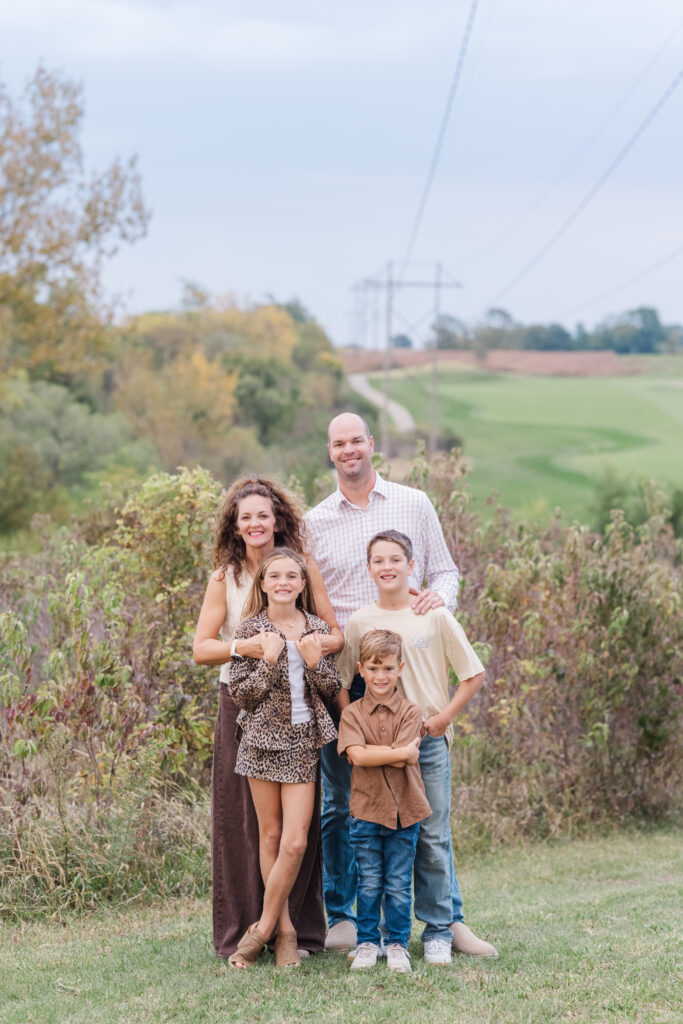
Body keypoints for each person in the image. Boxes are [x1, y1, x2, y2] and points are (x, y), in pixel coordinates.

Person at [305, 413, 491, 957]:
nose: (348, 451)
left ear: (371, 446)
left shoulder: (413, 503)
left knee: (425, 810)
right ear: (330, 451)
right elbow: (316, 601)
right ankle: (343, 918)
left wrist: (438, 605)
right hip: (352, 685)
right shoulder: (317, 522)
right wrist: (341, 698)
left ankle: (447, 921)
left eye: (356, 441)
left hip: (413, 682)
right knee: (342, 808)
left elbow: (448, 573)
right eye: (338, 443)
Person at [193, 477, 343, 960]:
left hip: (300, 707)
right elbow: (202, 648)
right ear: (235, 526)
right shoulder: (226, 576)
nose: (255, 524)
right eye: (245, 517)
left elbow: (332, 634)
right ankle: (255, 930)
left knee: (298, 833)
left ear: (277, 518)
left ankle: (294, 930)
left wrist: (313, 650)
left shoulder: (302, 568)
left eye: (263, 515)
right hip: (244, 705)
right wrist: (249, 647)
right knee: (250, 825)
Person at [339, 530, 496, 964]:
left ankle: (438, 931)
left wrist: (443, 719)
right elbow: (341, 681)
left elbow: (473, 673)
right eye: (378, 560)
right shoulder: (359, 621)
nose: (387, 567)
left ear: (412, 566)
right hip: (377, 749)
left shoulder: (434, 615)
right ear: (368, 569)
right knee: (380, 837)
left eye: (396, 559)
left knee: (431, 835)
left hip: (426, 742)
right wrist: (352, 721)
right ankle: (384, 936)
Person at [226, 548, 341, 968]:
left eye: (292, 576)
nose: (284, 582)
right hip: (259, 742)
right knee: (270, 837)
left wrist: (314, 662)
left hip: (301, 742)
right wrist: (269, 659)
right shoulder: (252, 629)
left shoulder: (316, 628)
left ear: (302, 584)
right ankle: (286, 932)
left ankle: (260, 930)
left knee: (296, 841)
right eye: (275, 576)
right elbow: (242, 696)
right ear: (263, 583)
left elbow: (331, 687)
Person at [338, 629, 431, 974]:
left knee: (396, 882)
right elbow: (357, 757)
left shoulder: (410, 712)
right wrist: (393, 752)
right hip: (366, 811)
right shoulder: (352, 714)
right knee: (370, 880)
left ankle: (396, 944)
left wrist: (374, 752)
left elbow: (405, 758)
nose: (381, 677)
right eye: (374, 669)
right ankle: (366, 942)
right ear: (361, 669)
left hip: (406, 812)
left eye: (388, 669)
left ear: (401, 668)